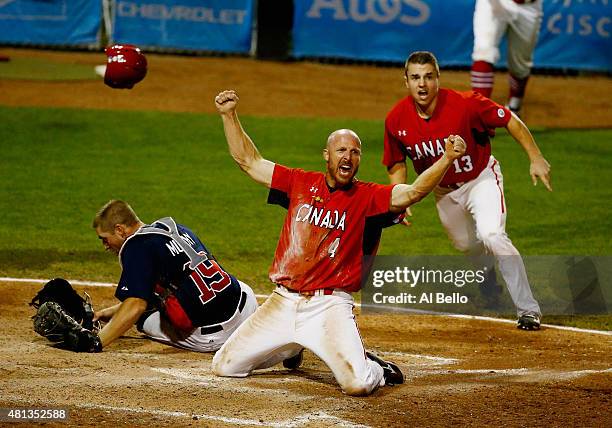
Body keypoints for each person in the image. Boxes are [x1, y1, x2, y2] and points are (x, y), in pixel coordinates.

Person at [210, 89, 467, 396]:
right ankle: (291, 346)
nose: (348, 156)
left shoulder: (368, 197)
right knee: (225, 366)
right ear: (327, 155)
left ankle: (374, 368)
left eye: (355, 152)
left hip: (329, 305)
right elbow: (249, 161)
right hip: (283, 301)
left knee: (357, 385)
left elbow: (412, 192)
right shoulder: (299, 183)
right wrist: (229, 115)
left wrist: (448, 158)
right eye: (341, 150)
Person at [383, 51, 552, 331]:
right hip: (443, 191)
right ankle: (487, 277)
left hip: (480, 179)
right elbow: (395, 161)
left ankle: (528, 309)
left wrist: (535, 157)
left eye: (428, 77)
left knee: (492, 234)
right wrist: (400, 195)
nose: (422, 84)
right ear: (406, 81)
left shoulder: (466, 104)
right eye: (415, 78)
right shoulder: (396, 120)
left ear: (438, 79)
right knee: (466, 244)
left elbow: (509, 119)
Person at [92, 200, 258, 352]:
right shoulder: (172, 228)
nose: (105, 246)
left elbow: (136, 306)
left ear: (120, 230)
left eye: (105, 239)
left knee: (142, 318)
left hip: (216, 336)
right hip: (248, 307)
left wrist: (96, 341)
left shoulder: (136, 247)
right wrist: (111, 312)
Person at [470, 0, 544, 115]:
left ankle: (515, 104)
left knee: (520, 66)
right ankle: (479, 114)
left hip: (529, 7)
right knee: (484, 50)